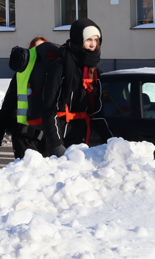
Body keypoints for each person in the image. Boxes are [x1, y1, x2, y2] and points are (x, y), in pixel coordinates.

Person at [42, 19, 110, 157]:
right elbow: (49, 109)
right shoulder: (60, 67)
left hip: (82, 136)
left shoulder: (93, 70)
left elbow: (96, 111)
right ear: (78, 40)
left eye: (96, 40)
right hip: (61, 135)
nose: (93, 44)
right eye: (88, 39)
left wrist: (110, 141)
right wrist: (57, 145)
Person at [0, 36, 57, 159]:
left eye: (43, 48)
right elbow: (9, 102)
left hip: (46, 134)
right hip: (24, 134)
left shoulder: (55, 72)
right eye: (35, 49)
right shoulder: (22, 73)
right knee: (26, 169)